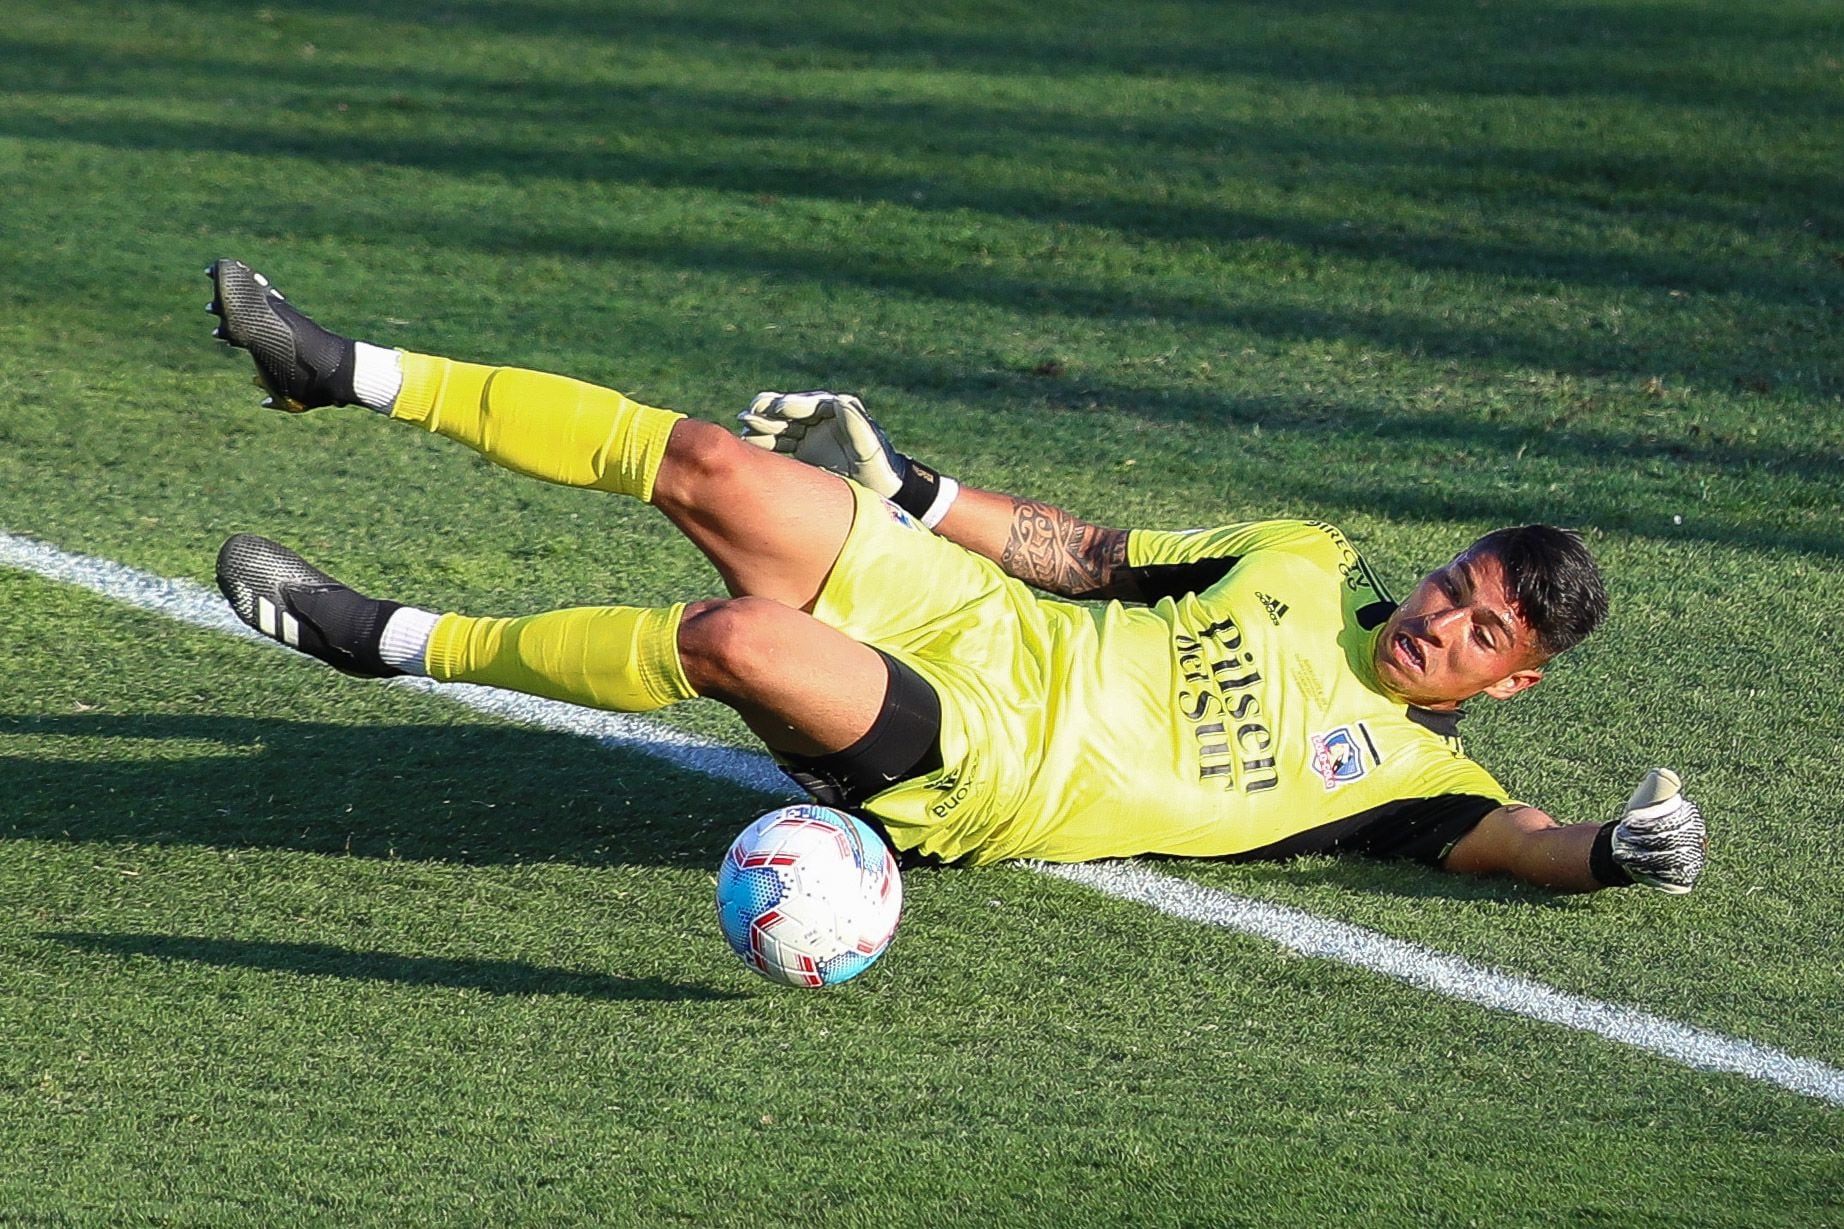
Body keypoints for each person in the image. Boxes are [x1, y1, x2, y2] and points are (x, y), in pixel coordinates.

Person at [202, 259, 1706, 895]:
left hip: (991, 764)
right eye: (1455, 583)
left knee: (734, 635)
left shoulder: (1410, 781)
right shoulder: (1304, 561)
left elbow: (1523, 840)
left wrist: (1614, 852)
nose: (1444, 619)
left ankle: (389, 640)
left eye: (1481, 631)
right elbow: (1097, 558)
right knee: (712, 466)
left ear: (1515, 678)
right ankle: (337, 368)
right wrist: (913, 487)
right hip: (984, 621)